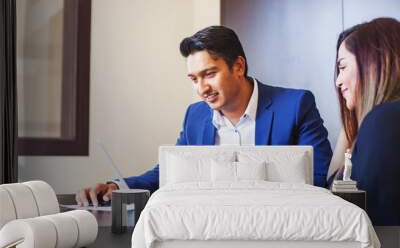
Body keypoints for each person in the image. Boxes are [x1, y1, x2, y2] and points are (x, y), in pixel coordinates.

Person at [76, 26, 332, 206]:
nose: (202, 89)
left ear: (239, 66)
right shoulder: (195, 116)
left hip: (278, 226)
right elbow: (169, 171)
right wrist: (118, 187)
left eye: (209, 74)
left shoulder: (296, 105)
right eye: (194, 79)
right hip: (209, 229)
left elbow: (317, 178)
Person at [329, 17, 400, 225]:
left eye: (342, 67)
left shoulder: (383, 121)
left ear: (371, 62)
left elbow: (363, 216)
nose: (338, 81)